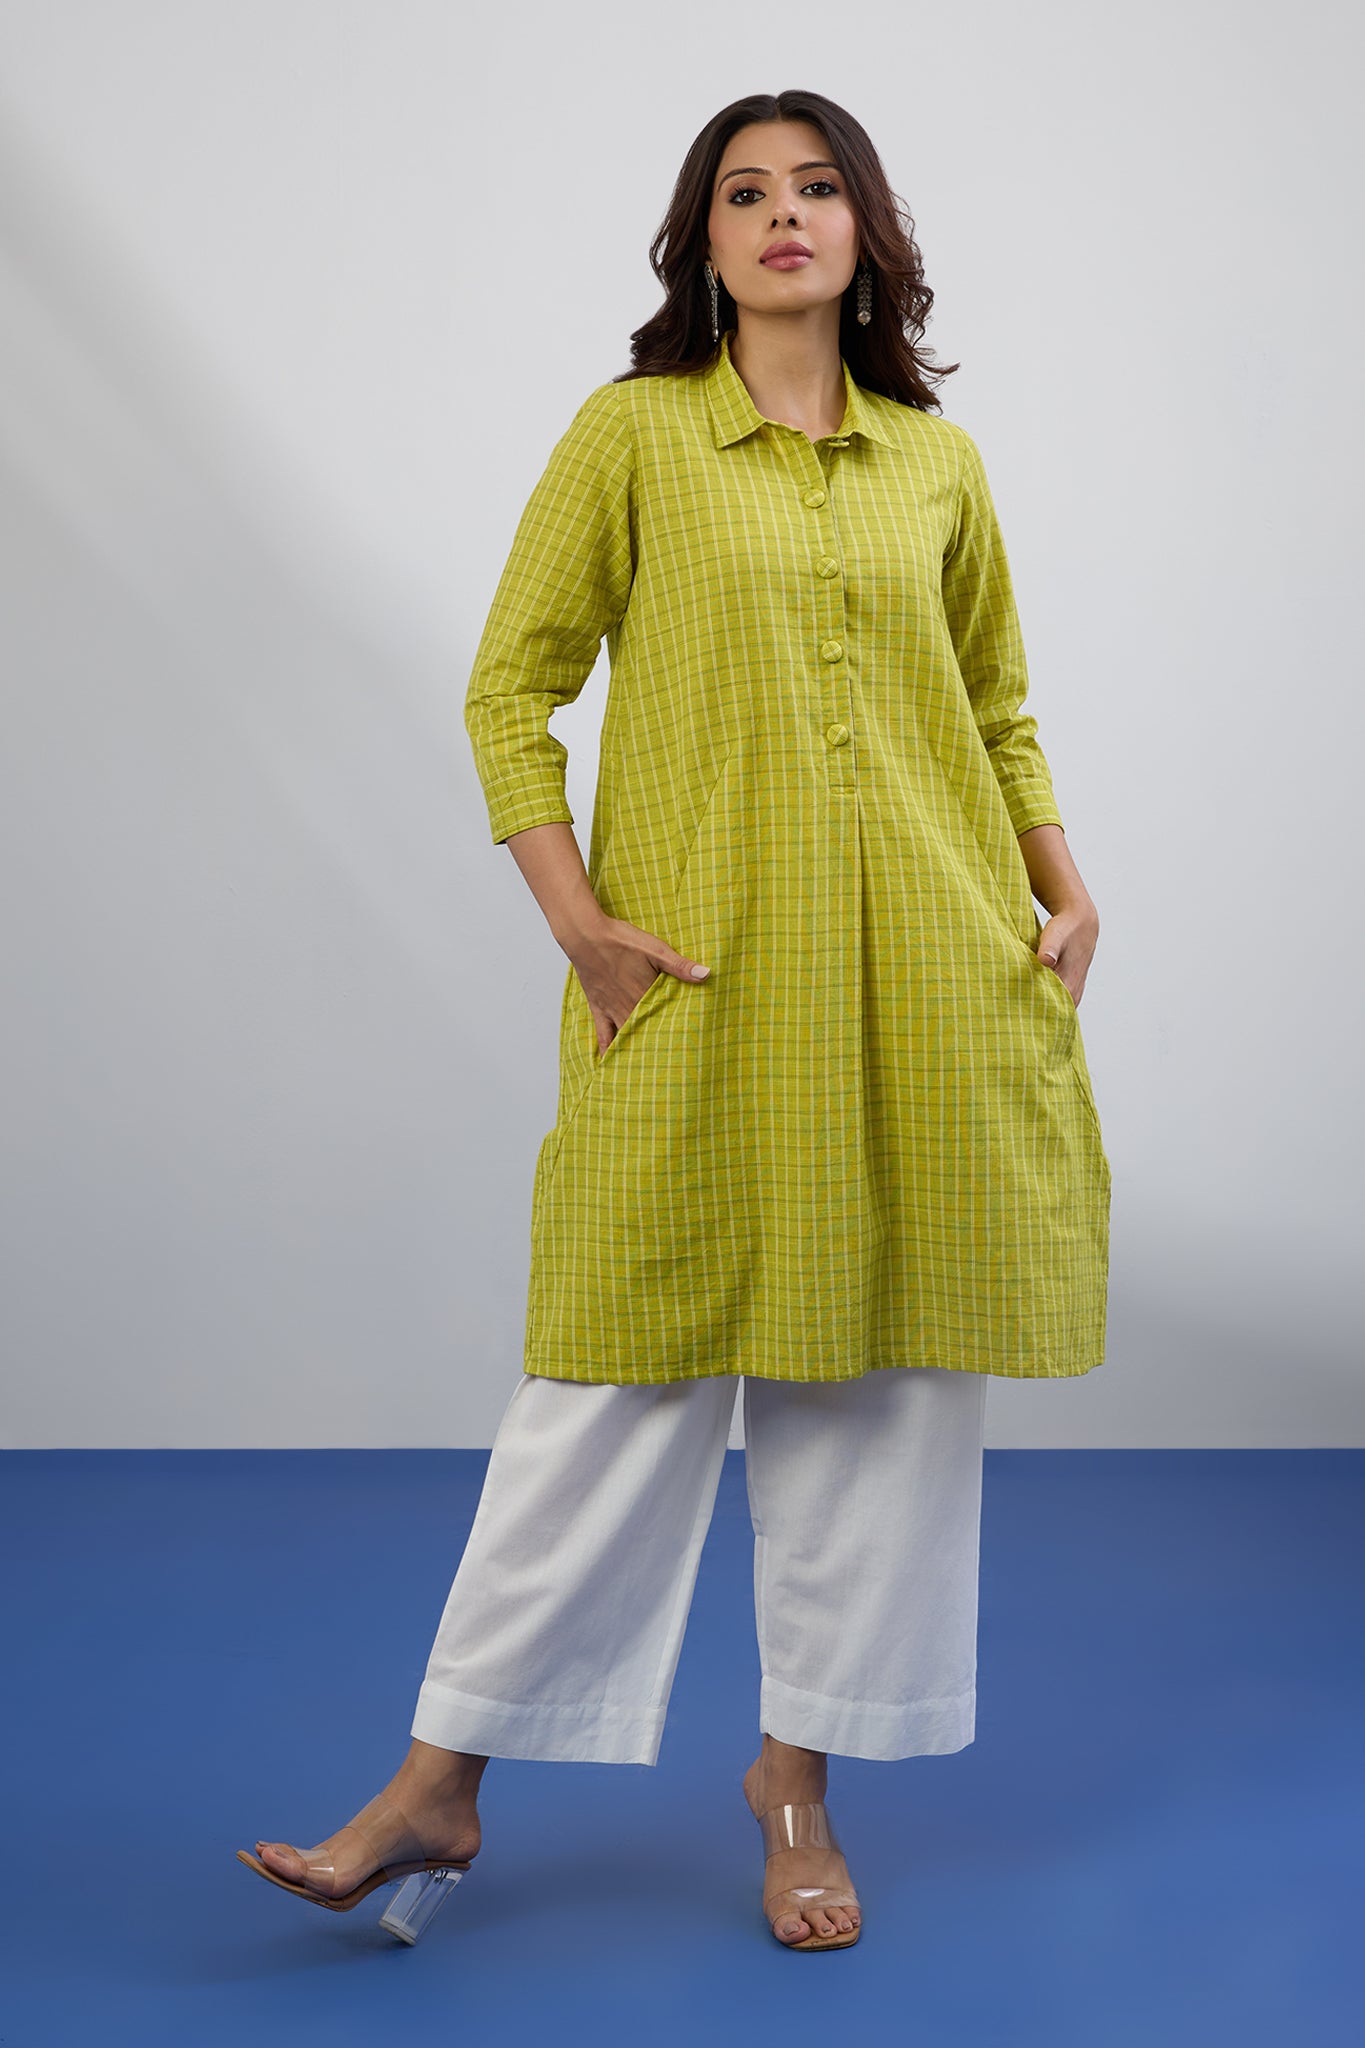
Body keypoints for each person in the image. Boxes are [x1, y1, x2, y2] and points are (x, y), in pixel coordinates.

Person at [238, 88, 1111, 1955]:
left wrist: (1061, 881)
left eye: (818, 187)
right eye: (744, 192)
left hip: (930, 980)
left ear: (865, 232)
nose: (783, 213)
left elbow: (996, 703)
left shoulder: (934, 464)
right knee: (610, 1379)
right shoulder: (631, 435)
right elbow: (510, 690)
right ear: (699, 243)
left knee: (877, 1389)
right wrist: (579, 926)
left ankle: (796, 1784)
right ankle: (439, 1781)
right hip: (701, 991)